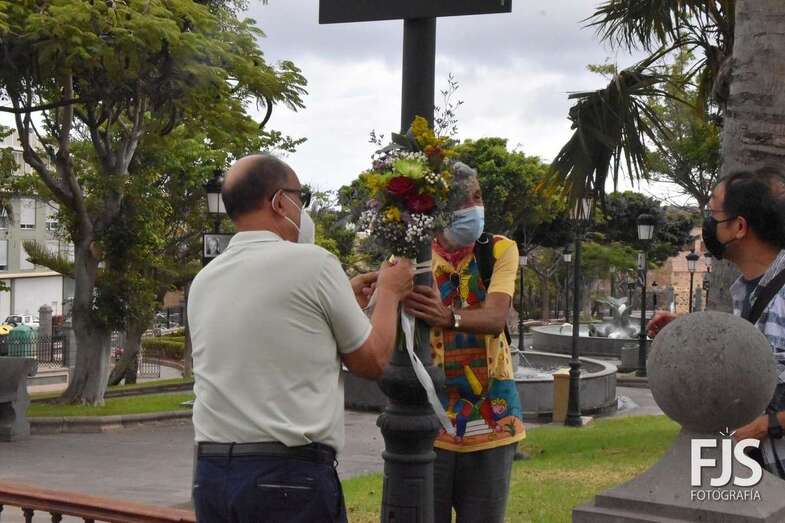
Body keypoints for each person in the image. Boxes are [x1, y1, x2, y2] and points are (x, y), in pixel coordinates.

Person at [188, 154, 414, 523]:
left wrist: (342, 305)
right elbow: (372, 362)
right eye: (300, 197)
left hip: (213, 476)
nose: (302, 208)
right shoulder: (314, 263)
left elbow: (287, 343)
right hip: (287, 477)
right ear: (280, 201)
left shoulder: (205, 280)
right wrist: (389, 293)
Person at [404, 162, 525, 523]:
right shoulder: (414, 258)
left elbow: (495, 317)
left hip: (493, 420)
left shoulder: (500, 250)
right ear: (440, 209)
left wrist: (449, 317)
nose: (475, 207)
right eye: (463, 199)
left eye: (478, 196)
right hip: (431, 422)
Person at [647, 167, 785, 469]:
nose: (708, 224)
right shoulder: (749, 291)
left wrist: (766, 426)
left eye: (713, 213)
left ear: (739, 226)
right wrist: (693, 333)